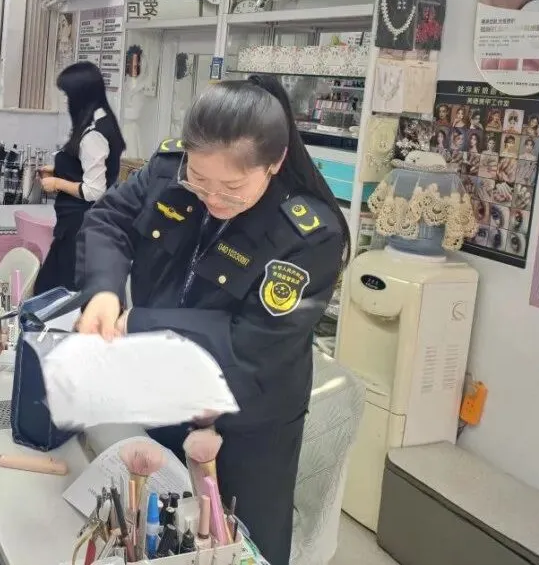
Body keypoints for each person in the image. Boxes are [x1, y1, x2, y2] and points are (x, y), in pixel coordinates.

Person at [75, 77, 348, 565]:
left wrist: (137, 324)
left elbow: (250, 345)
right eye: (199, 179)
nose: (213, 198)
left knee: (236, 549)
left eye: (233, 188)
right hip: (161, 399)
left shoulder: (307, 236)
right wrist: (103, 292)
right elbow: (109, 221)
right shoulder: (168, 172)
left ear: (275, 162)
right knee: (151, 535)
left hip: (245, 428)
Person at [35, 61, 126, 292]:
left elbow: (94, 190)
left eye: (68, 96)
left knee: (57, 292)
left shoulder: (94, 133)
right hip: (73, 225)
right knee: (47, 287)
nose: (67, 102)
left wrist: (57, 182)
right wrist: (59, 170)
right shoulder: (98, 120)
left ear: (81, 95)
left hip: (81, 226)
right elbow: (88, 167)